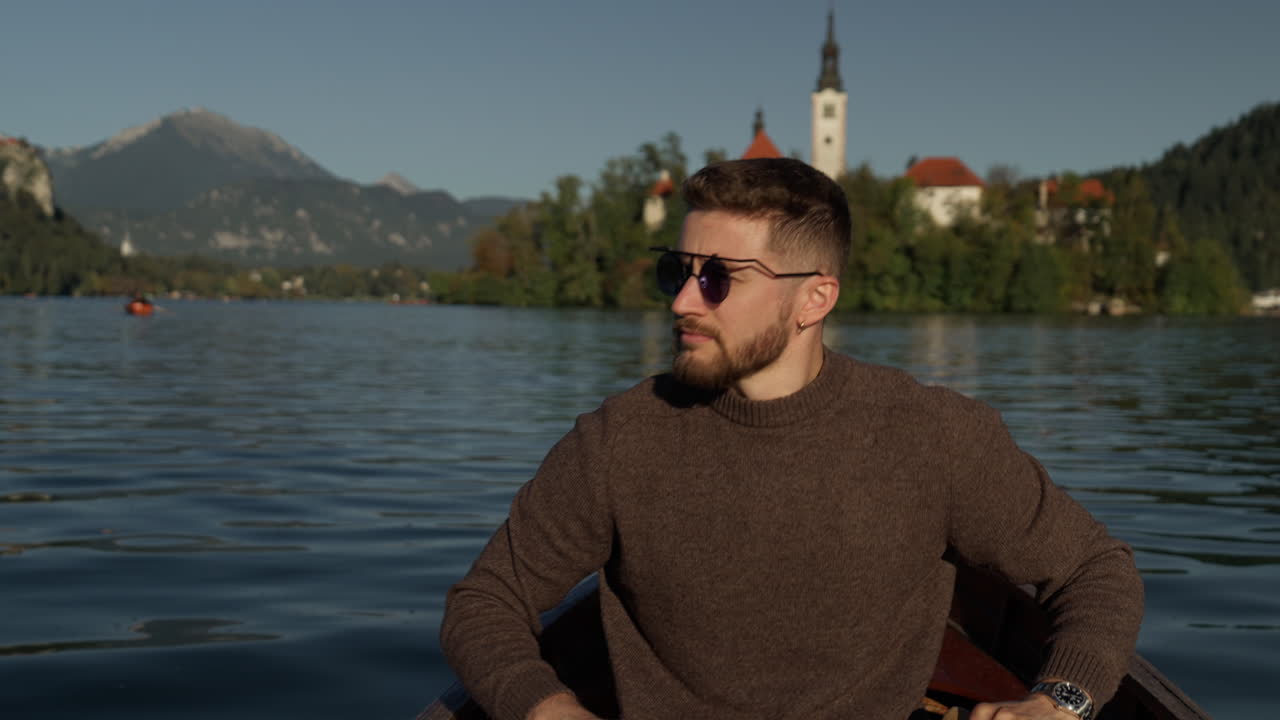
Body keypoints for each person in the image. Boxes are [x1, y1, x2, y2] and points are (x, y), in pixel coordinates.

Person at [440, 158, 1143, 720]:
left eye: (717, 279)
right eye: (675, 271)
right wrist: (549, 709)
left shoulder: (933, 437)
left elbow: (1097, 572)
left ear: (815, 298)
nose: (683, 301)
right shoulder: (618, 440)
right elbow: (483, 605)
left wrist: (1060, 702)